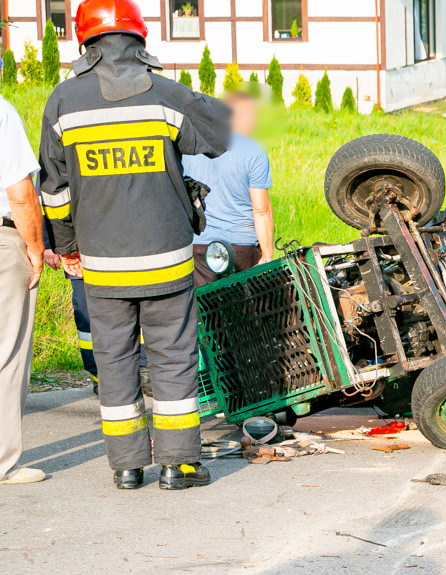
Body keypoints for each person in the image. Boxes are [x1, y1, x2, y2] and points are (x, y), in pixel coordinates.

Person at [40, 0, 229, 490]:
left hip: (102, 265)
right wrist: (189, 94)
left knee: (115, 361)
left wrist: (68, 248)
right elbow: (219, 136)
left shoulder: (62, 101)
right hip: (167, 260)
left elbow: (55, 193)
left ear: (85, 43)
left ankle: (126, 468)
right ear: (140, 40)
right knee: (172, 358)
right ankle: (178, 465)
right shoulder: (166, 95)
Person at [183, 91, 274, 286]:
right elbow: (261, 210)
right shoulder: (253, 151)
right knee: (248, 309)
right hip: (241, 249)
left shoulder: (191, 147)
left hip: (199, 247)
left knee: (206, 309)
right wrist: (267, 255)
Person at [0, 95, 45, 486]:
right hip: (1, 240)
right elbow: (20, 193)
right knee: (8, 351)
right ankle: (2, 461)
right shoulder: (1, 110)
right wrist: (35, 246)